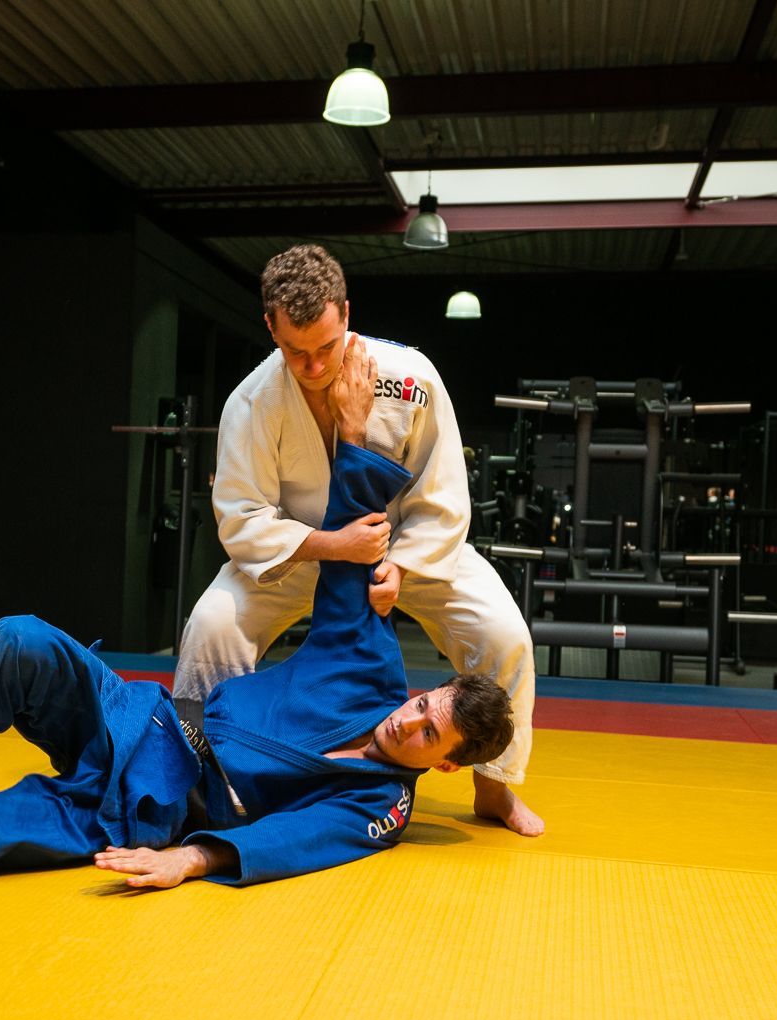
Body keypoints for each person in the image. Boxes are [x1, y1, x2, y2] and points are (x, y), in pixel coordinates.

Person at [0, 401, 516, 895]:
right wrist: (360, 433)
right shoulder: (371, 668)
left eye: (430, 732)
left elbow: (297, 846)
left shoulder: (382, 807)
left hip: (135, 811)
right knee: (18, 640)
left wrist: (187, 859)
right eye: (424, 702)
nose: (412, 720)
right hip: (137, 718)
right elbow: (351, 559)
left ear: (443, 765)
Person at [175, 245, 544, 837]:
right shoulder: (251, 401)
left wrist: (399, 564)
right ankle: (191, 777)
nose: (314, 366)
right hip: (300, 552)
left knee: (503, 635)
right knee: (214, 624)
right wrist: (330, 545)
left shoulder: (411, 379)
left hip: (409, 548)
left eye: (325, 347)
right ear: (269, 325)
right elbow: (242, 520)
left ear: (346, 313)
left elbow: (443, 493)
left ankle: (494, 789)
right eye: (296, 352)